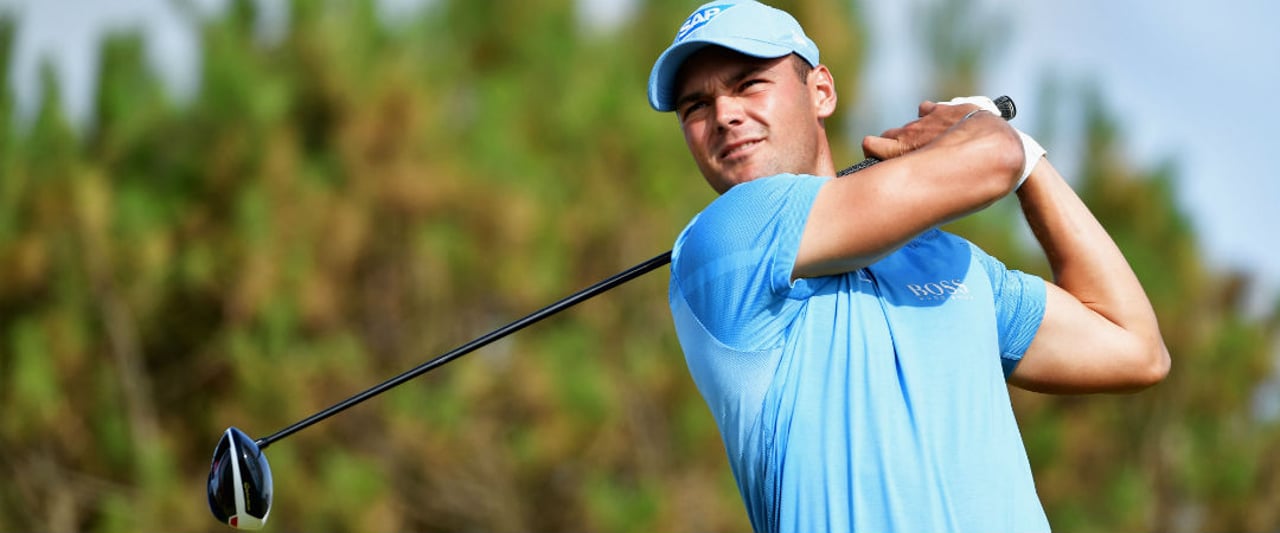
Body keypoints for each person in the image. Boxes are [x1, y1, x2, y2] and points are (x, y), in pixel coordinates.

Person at [647, 1, 1171, 532]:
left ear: (821, 91)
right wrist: (986, 132)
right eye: (695, 106)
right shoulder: (724, 240)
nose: (724, 115)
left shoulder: (953, 263)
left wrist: (1030, 161)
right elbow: (990, 162)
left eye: (749, 83)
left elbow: (1134, 348)